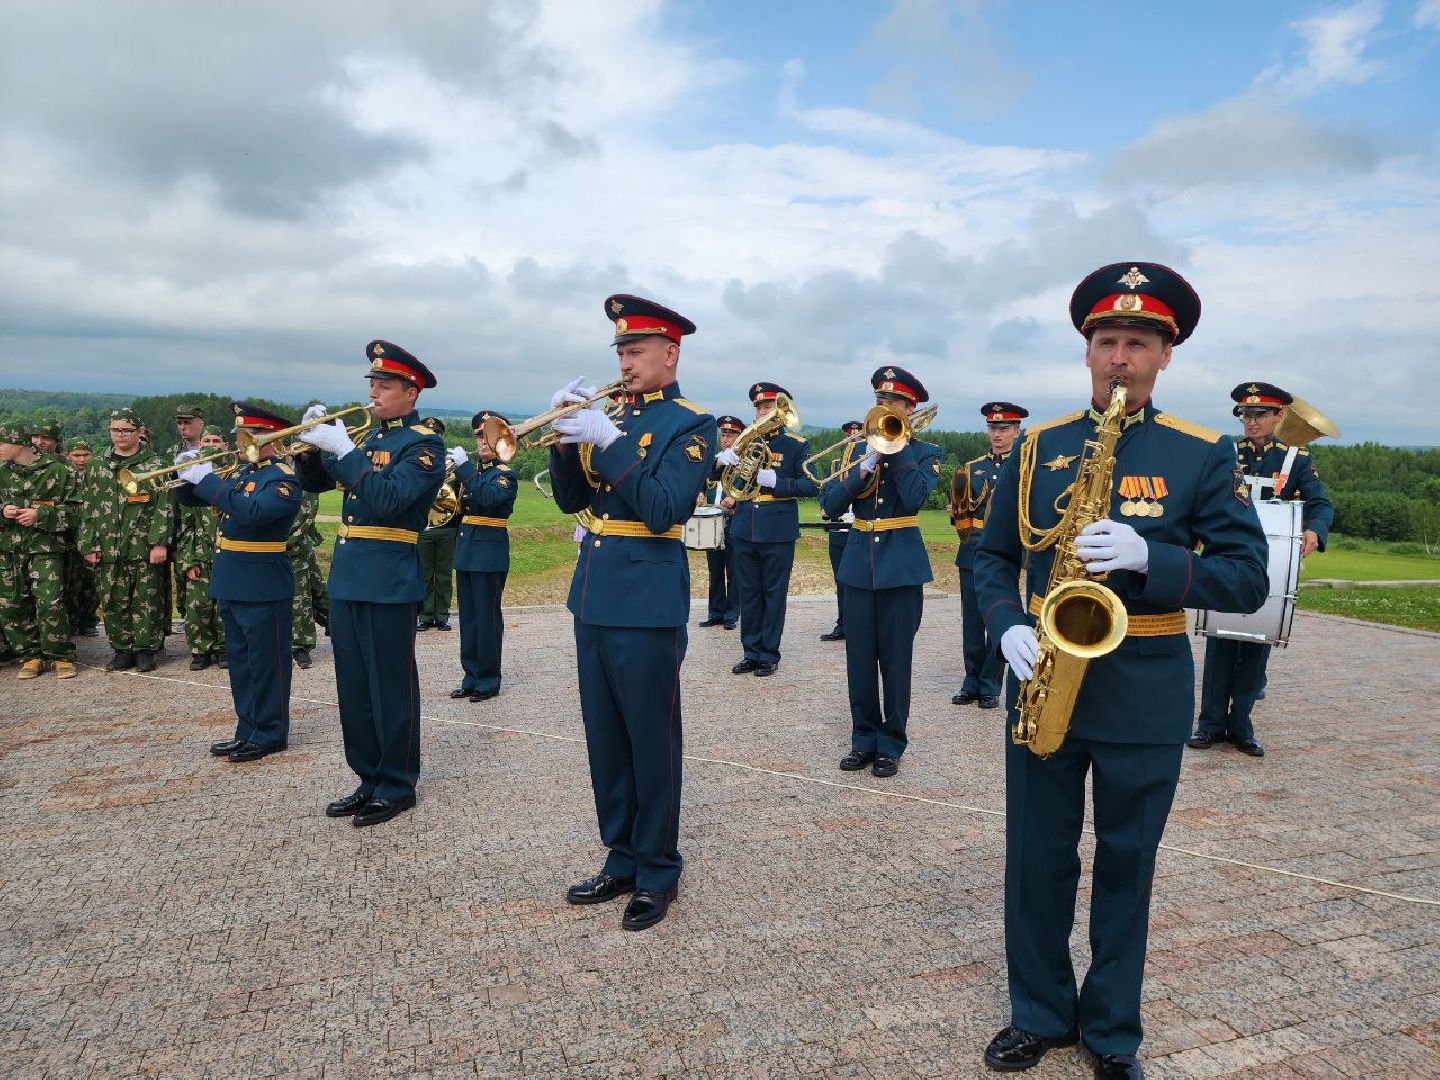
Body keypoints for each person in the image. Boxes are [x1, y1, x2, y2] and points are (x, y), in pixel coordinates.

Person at [974, 263, 1268, 1078]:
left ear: (1166, 356)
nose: (1120, 358)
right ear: (1087, 349)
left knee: (1127, 865)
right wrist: (1004, 624)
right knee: (1036, 858)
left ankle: (1110, 1032)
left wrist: (1153, 558)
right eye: (1107, 341)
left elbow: (1248, 578)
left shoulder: (1200, 452)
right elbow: (991, 558)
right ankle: (1039, 1013)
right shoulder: (1038, 446)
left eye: (1139, 343)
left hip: (1144, 680)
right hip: (1044, 674)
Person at [546, 294, 715, 931]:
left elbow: (664, 508)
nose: (625, 363)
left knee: (650, 739)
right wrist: (566, 443)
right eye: (620, 352)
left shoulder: (691, 424)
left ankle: (657, 868)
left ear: (670, 354)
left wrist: (611, 442)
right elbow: (570, 501)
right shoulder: (611, 415)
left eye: (636, 351)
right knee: (606, 739)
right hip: (594, 594)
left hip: (646, 600)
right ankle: (620, 856)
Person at [295, 341, 445, 828]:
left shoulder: (424, 445)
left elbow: (388, 500)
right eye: (373, 384)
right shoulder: (367, 439)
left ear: (411, 392)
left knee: (390, 686)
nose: (374, 393)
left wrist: (344, 450)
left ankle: (397, 783)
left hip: (389, 578)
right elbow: (315, 483)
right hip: (349, 575)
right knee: (354, 687)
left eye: (384, 385)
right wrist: (312, 449)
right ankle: (367, 777)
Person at [1188, 382, 1333, 757]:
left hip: (1269, 564)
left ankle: (1241, 727)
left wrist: (1315, 530)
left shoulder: (1295, 460)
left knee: (1256, 645)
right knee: (1220, 640)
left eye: (1260, 415)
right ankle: (1209, 725)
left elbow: (1320, 503)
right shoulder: (1226, 453)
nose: (1251, 422)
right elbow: (1203, 498)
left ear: (1279, 416)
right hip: (1227, 558)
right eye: (1246, 415)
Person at [821, 371, 942, 778]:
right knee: (858, 660)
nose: (884, 407)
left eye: (893, 403)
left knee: (895, 660)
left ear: (910, 409)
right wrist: (865, 464)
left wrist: (896, 447)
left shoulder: (925, 452)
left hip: (901, 568)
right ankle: (863, 738)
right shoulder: (857, 451)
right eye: (879, 400)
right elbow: (830, 505)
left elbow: (915, 497)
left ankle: (891, 743)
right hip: (858, 564)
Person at [176, 404, 301, 761]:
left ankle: (271, 733)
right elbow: (195, 501)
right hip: (232, 579)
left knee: (266, 665)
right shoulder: (243, 471)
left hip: (262, 583)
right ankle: (247, 729)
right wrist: (187, 477)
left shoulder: (282, 479)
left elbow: (252, 512)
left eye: (250, 435)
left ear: (272, 437)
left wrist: (208, 480)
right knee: (242, 664)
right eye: (241, 436)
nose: (241, 442)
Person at [722, 382, 820, 677]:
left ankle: (769, 654)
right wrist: (723, 462)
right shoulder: (744, 442)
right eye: (759, 407)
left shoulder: (796, 445)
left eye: (768, 407)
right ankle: (750, 652)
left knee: (774, 593)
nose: (762, 412)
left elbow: (811, 485)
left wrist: (776, 482)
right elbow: (723, 478)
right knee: (748, 592)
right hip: (744, 526)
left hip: (777, 529)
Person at [78, 409, 173, 672]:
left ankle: (145, 650)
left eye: (126, 430)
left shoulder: (155, 464)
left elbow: (164, 506)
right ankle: (121, 649)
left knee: (147, 599)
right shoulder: (98, 465)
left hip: (142, 545)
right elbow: (88, 505)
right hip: (108, 546)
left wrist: (159, 543)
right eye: (115, 430)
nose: (120, 435)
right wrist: (88, 543)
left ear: (139, 432)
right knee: (112, 599)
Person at [951, 402, 1027, 709]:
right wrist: (956, 513)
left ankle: (990, 684)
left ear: (1017, 431)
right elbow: (961, 515)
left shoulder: (1024, 465)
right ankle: (971, 680)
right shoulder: (972, 468)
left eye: (1004, 428)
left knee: (998, 615)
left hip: (1004, 549)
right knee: (971, 620)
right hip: (972, 548)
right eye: (993, 428)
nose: (997, 434)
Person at [446, 410, 517, 702]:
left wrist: (464, 468)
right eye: (479, 437)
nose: (482, 442)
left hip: (488, 555)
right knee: (469, 620)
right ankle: (471, 676)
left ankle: (488, 680)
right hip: (466, 552)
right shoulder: (474, 474)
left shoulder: (505, 476)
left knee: (487, 620)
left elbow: (487, 499)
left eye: (488, 437)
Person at [0, 423, 79, 680]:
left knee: (50, 601)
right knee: (12, 604)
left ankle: (60, 655)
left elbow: (78, 511)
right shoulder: (2, 473)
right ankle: (30, 655)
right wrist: (3, 511)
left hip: (45, 548)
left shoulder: (59, 470)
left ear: (18, 443)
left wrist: (40, 515)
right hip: (9, 549)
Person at [174, 426, 229, 670]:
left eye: (217, 441)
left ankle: (226, 648)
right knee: (198, 606)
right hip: (199, 552)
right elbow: (184, 526)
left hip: (229, 552)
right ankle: (201, 650)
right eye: (206, 440)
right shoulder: (191, 475)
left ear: (225, 446)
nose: (211, 445)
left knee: (226, 606)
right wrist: (188, 560)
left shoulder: (235, 473)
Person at [697, 414, 743, 630]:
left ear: (739, 437)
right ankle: (715, 612)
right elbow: (701, 481)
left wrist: (735, 500)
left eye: (730, 435)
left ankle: (731, 614)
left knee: (734, 570)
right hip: (713, 519)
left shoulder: (744, 463)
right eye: (723, 435)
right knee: (714, 570)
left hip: (734, 519)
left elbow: (751, 488)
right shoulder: (714, 460)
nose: (725, 439)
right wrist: (698, 493)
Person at [819, 419, 863, 642]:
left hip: (859, 529)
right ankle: (843, 624)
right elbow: (824, 490)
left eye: (857, 436)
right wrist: (824, 507)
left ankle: (860, 624)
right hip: (838, 529)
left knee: (860, 580)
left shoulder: (867, 463)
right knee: (841, 580)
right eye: (849, 436)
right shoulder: (836, 466)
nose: (852, 439)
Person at [416, 416, 458, 632]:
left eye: (436, 434)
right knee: (423, 573)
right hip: (422, 527)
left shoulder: (453, 463)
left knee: (443, 574)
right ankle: (424, 615)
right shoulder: (414, 462)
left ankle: (442, 615)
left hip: (448, 528)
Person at [63, 438, 101, 636]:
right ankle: (71, 620)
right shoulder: (63, 477)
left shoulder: (97, 476)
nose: (81, 459)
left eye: (86, 455)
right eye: (76, 455)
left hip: (92, 534)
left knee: (91, 581)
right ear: (67, 456)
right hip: (69, 536)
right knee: (70, 581)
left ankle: (89, 619)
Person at [287, 483, 325, 670]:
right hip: (264, 549)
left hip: (295, 548)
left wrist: (279, 541)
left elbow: (305, 516)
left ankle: (299, 646)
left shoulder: (303, 480)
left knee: (299, 598)